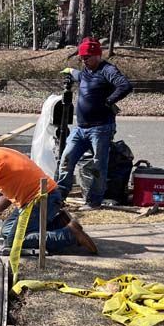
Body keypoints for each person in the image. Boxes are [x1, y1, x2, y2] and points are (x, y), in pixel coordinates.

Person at [0, 132, 98, 254]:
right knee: (6, 232)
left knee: (13, 243)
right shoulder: (0, 153)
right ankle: (58, 224)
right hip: (42, 198)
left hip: (42, 199)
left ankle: (70, 235)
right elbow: (8, 194)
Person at [58, 37, 132, 211]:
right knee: (66, 160)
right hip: (81, 128)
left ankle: (94, 202)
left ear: (98, 55)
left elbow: (125, 85)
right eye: (82, 58)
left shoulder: (107, 70)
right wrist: (69, 72)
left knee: (98, 165)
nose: (85, 61)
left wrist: (109, 101)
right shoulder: (85, 71)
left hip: (100, 128)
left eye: (88, 58)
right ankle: (58, 197)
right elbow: (77, 75)